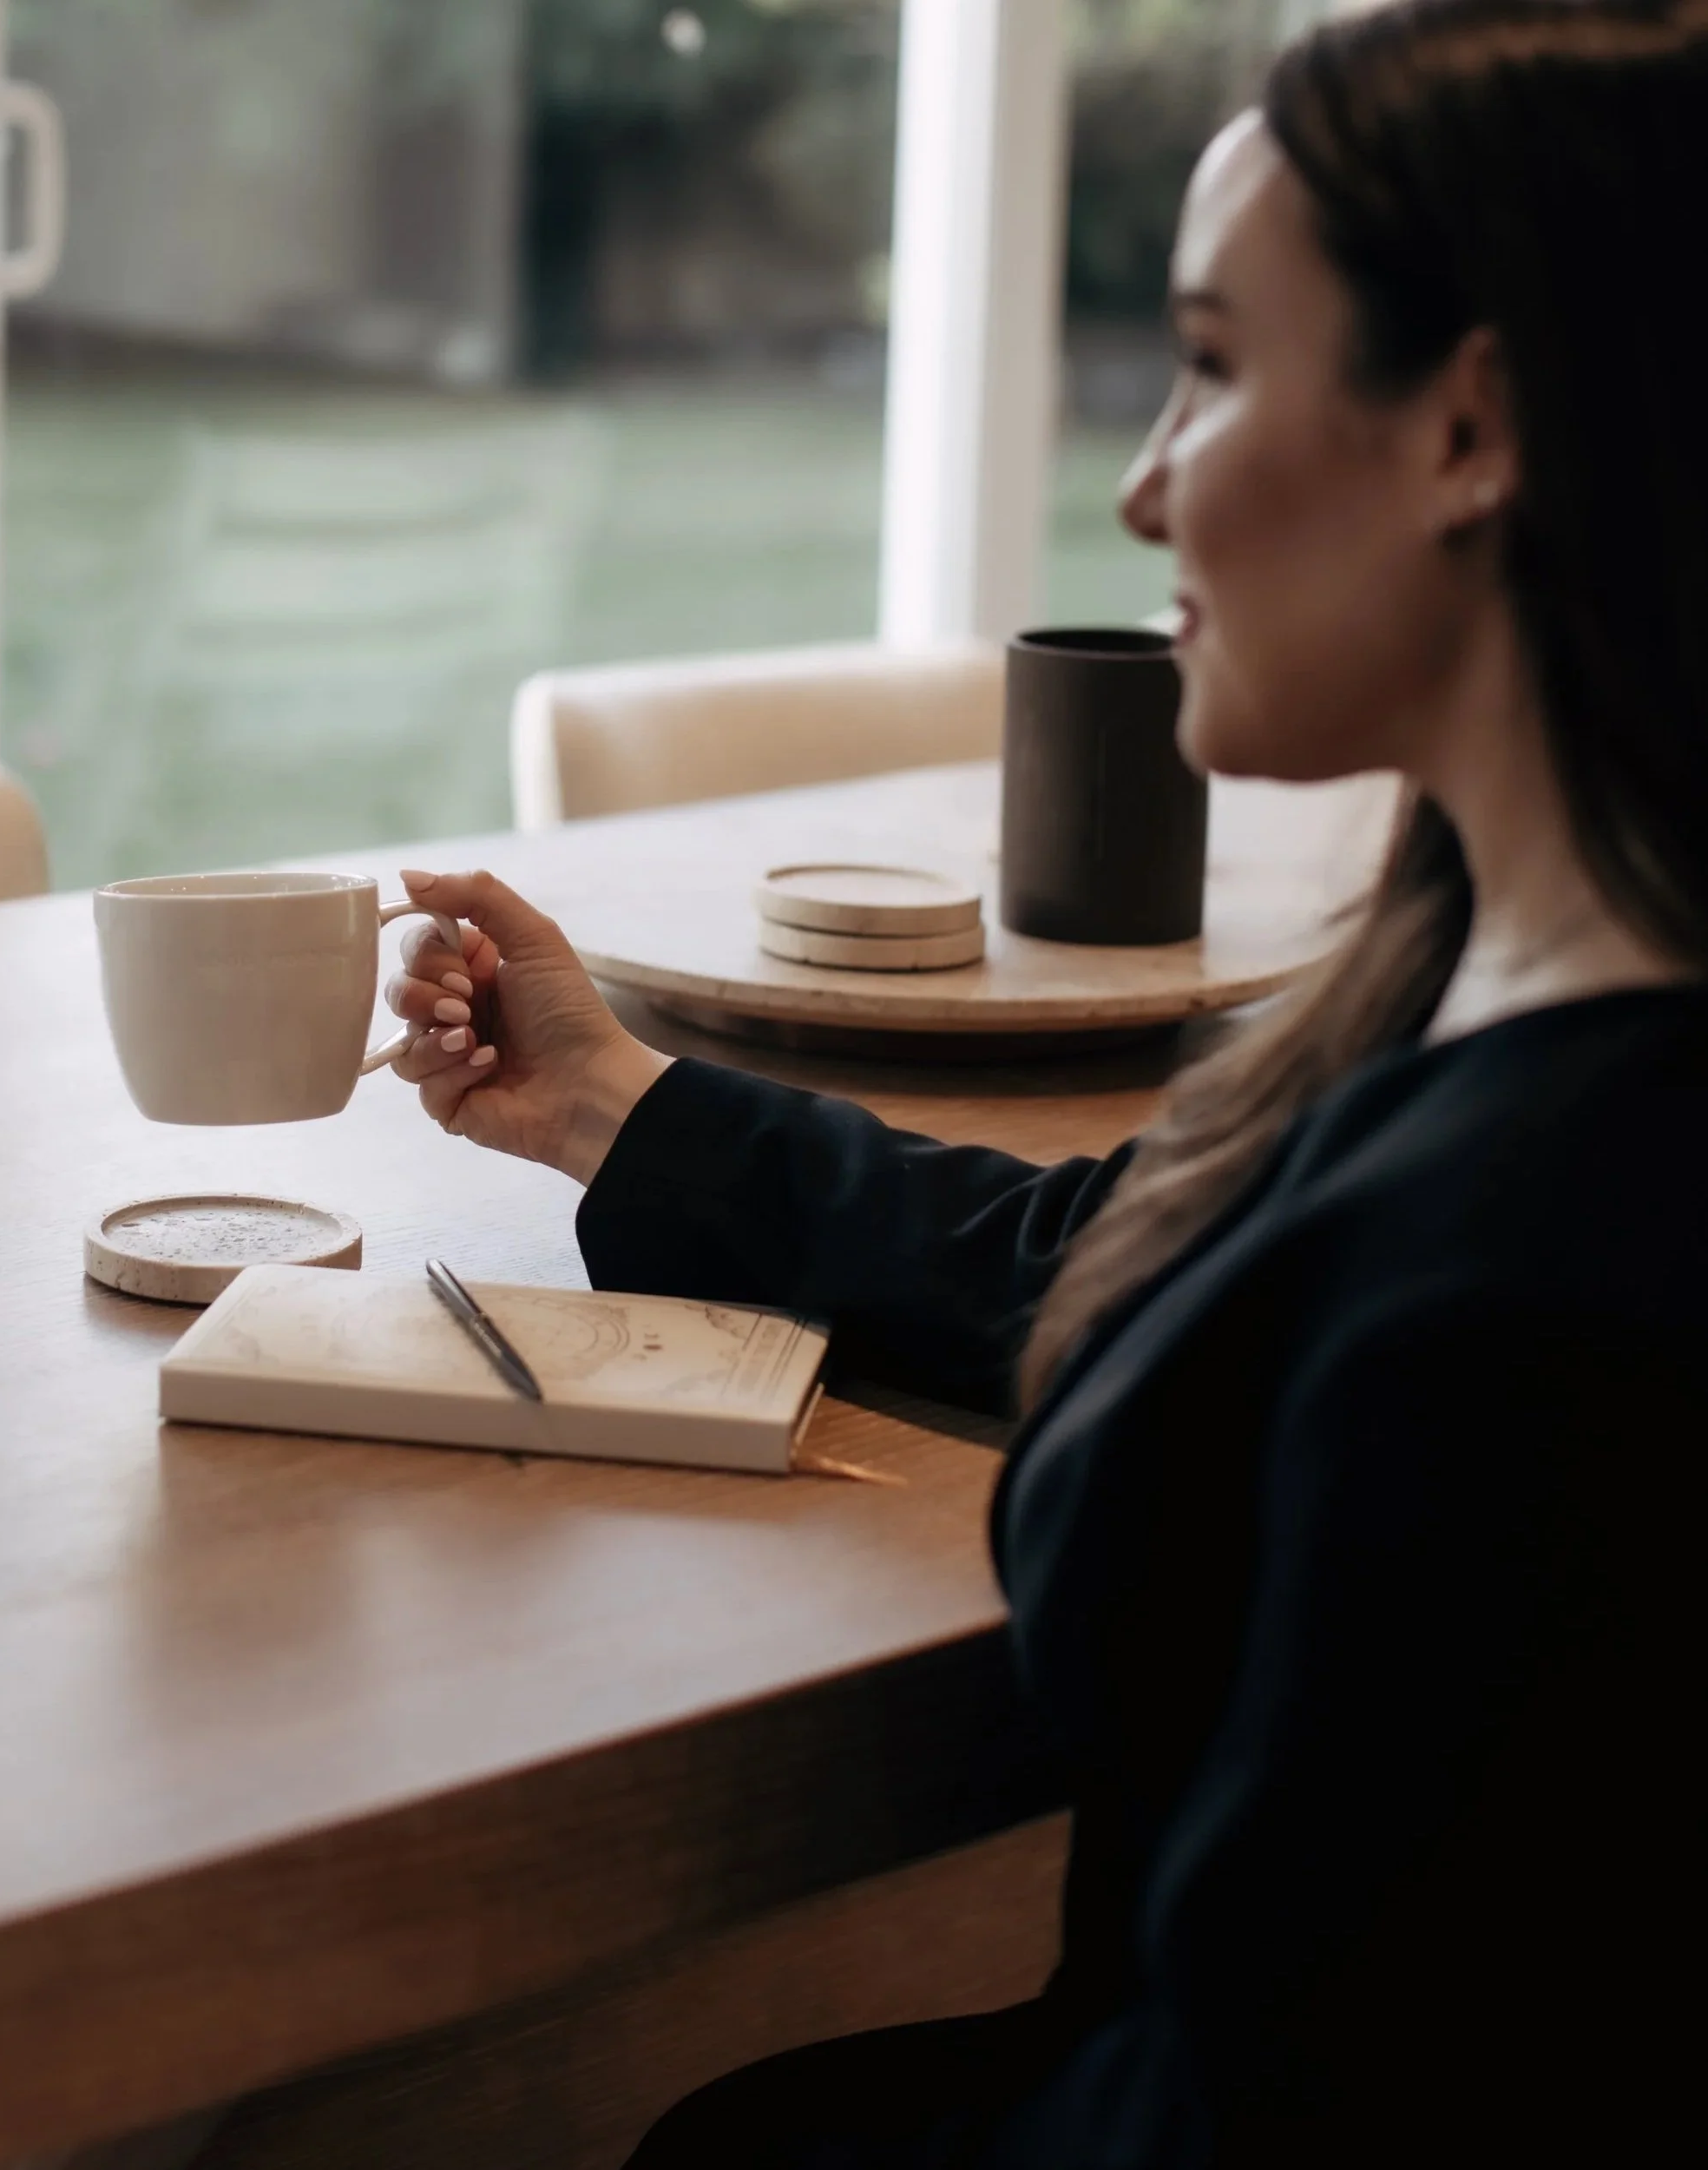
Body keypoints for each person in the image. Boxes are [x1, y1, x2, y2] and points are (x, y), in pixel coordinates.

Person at [383, 0, 1706, 2160]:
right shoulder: (1513, 998)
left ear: (1470, 427)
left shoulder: (1520, 1309)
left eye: (1208, 360)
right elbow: (1143, 1249)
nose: (1139, 478)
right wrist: (620, 1106)